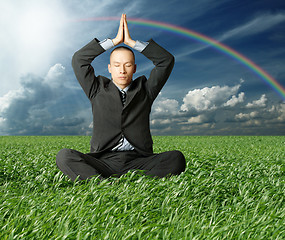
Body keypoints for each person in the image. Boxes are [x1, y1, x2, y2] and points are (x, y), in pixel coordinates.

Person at [56, 14, 186, 181]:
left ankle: (125, 182)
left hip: (139, 161)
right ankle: (104, 186)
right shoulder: (96, 89)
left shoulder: (146, 90)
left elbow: (166, 61)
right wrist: (114, 41)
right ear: (109, 68)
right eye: (117, 65)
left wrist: (132, 43)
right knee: (64, 156)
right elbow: (79, 60)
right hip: (103, 161)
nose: (122, 70)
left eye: (128, 65)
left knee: (176, 158)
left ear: (134, 68)